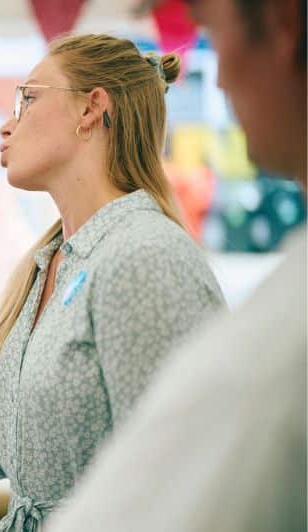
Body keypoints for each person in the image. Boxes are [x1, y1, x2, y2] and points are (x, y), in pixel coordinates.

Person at [0, 33, 225, 531]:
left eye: (27, 99)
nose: (6, 126)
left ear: (91, 109)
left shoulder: (144, 257)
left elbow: (183, 482)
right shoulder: (48, 265)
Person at [46, 1, 306, 530]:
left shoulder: (146, 257)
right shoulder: (53, 260)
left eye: (212, 31)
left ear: (284, 26)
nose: (222, 80)